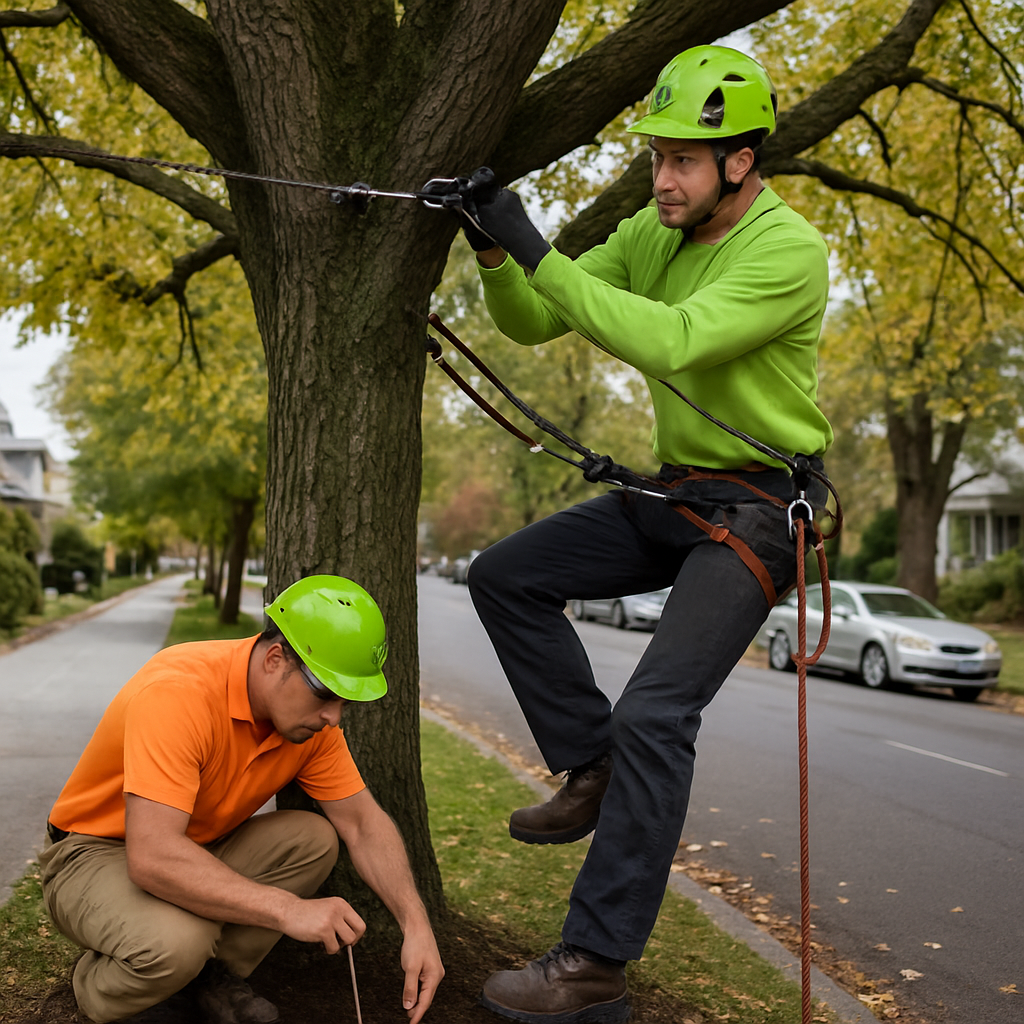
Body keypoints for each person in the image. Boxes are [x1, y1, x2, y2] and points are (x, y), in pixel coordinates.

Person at [454, 46, 833, 1023]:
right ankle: (595, 763)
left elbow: (669, 341)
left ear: (740, 163)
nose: (661, 178)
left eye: (682, 161)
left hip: (757, 508)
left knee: (658, 712)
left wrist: (535, 245)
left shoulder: (786, 251)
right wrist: (496, 252)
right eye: (656, 156)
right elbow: (538, 322)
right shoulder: (652, 228)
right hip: (676, 492)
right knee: (503, 574)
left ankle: (592, 962)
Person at [39, 575, 444, 1024]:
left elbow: (363, 824)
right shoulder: (179, 693)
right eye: (326, 693)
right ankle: (100, 988)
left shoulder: (311, 727)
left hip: (192, 845)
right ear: (275, 659)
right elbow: (152, 856)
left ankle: (207, 978)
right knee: (177, 943)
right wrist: (287, 910)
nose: (333, 716)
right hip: (93, 851)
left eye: (346, 702)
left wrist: (416, 924)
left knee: (313, 838)